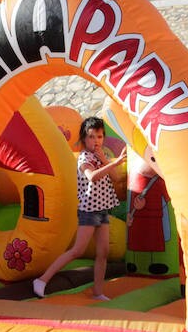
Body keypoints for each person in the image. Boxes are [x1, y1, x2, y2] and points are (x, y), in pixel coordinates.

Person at [33, 117, 126, 301]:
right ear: (84, 138)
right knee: (78, 250)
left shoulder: (100, 156)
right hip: (89, 209)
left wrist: (106, 161)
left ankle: (98, 292)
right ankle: (42, 280)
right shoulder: (84, 157)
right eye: (91, 137)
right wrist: (114, 163)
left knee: (103, 251)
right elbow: (92, 177)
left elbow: (116, 178)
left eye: (99, 136)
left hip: (102, 209)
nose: (96, 141)